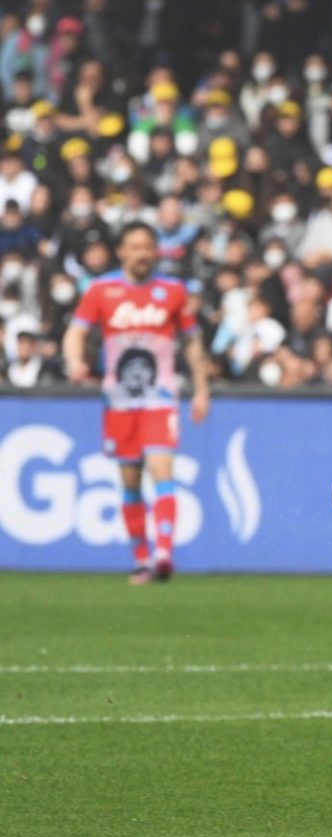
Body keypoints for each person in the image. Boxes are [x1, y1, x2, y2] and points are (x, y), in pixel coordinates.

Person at [62, 221, 210, 584]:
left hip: (160, 398)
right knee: (130, 481)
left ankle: (164, 555)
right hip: (119, 401)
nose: (142, 253)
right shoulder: (102, 290)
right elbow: (75, 332)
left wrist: (202, 388)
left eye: (147, 246)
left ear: (156, 251)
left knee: (162, 468)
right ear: (122, 252)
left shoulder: (173, 291)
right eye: (135, 246)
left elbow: (191, 341)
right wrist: (75, 361)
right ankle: (142, 559)